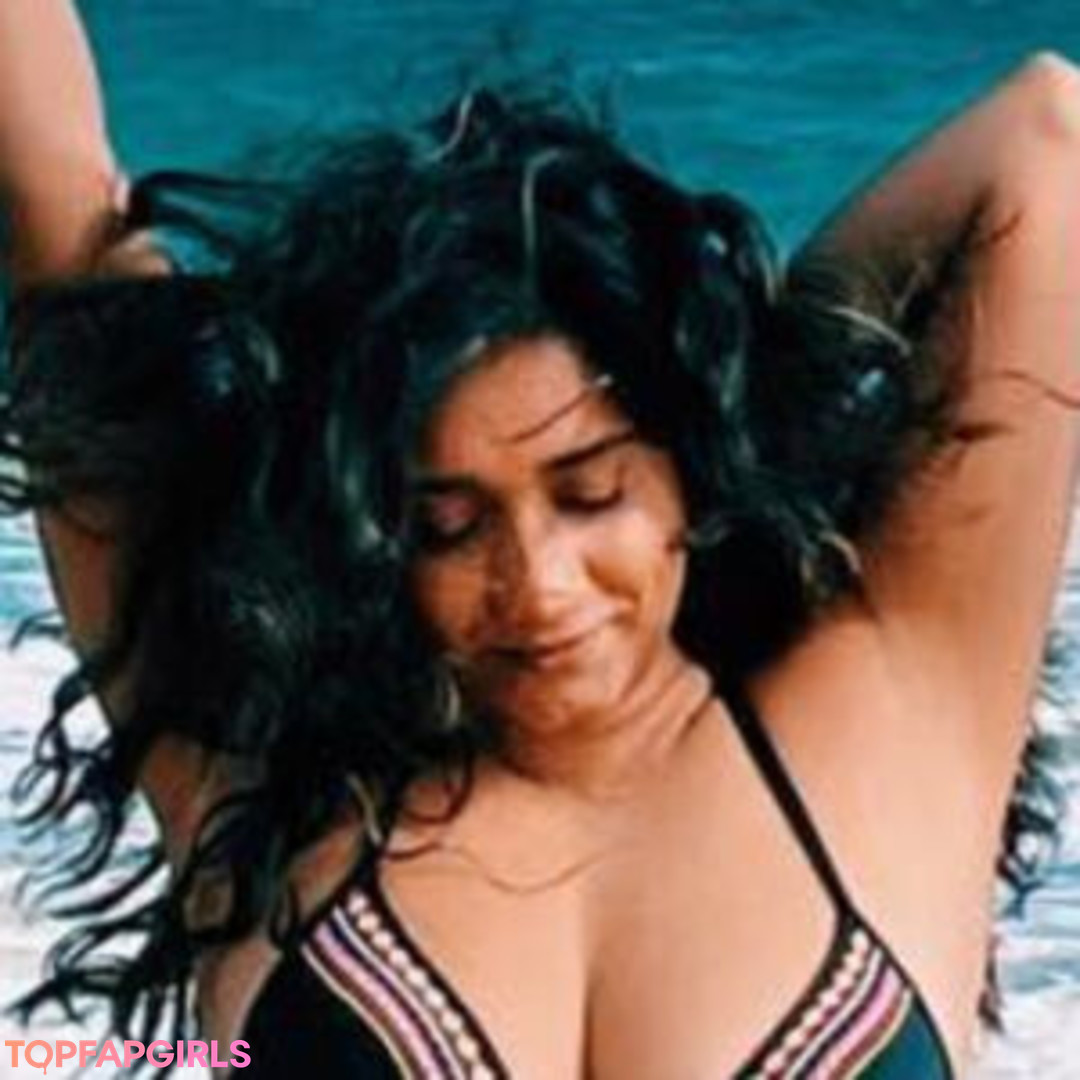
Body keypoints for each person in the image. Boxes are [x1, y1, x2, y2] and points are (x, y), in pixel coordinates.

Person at [2, 2, 1079, 1077]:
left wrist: (760, 375)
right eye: (448, 525)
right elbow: (58, 209)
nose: (537, 585)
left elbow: (1042, 136)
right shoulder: (263, 784)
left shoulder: (897, 703)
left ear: (688, 466)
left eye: (591, 493)